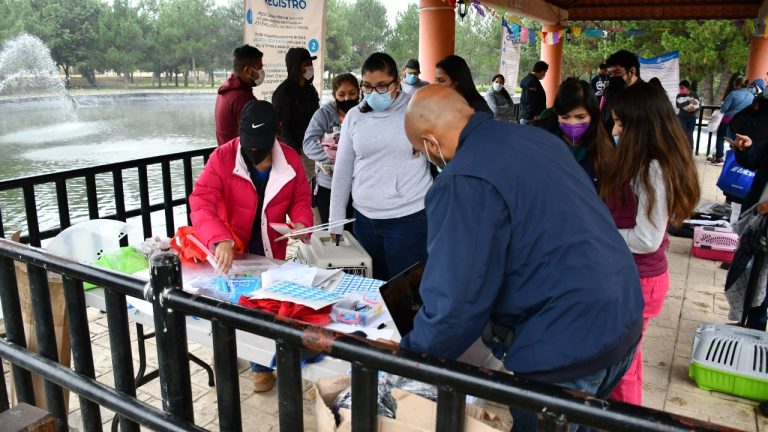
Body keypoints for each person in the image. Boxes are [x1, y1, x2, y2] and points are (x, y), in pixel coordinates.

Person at [400, 85, 642, 432]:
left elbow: (455, 303)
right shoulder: (538, 140)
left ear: (431, 144)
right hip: (620, 318)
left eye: (419, 152)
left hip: (567, 344)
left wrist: (407, 358)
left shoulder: (463, 179)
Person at [189, 100, 313, 393]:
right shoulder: (223, 157)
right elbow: (201, 200)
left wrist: (301, 223)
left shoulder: (291, 160)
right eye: (249, 144)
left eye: (262, 145)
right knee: (227, 299)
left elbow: (300, 200)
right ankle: (225, 349)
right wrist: (219, 238)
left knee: (264, 300)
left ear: (276, 134)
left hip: (270, 243)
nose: (255, 152)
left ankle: (261, 364)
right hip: (230, 242)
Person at [601, 81, 701, 405]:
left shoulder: (653, 169)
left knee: (621, 368)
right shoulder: (645, 163)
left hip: (639, 281)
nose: (615, 130)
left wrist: (598, 233)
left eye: (620, 123)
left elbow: (646, 239)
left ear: (641, 127)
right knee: (628, 360)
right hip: (634, 278)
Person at [328, 53, 432, 281]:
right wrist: (335, 224)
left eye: (382, 86)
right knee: (372, 292)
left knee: (407, 295)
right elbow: (343, 171)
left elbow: (439, 157)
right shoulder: (355, 116)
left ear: (397, 82)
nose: (374, 93)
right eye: (367, 86)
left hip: (409, 219)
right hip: (365, 220)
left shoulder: (417, 112)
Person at [303, 73, 359, 224]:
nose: (347, 98)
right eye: (342, 94)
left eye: (352, 93)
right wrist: (334, 157)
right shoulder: (323, 115)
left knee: (355, 231)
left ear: (359, 92)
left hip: (358, 184)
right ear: (334, 95)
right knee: (333, 230)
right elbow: (308, 143)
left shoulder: (365, 113)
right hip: (329, 185)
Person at [549, 79, 615, 191]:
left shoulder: (606, 145)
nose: (573, 123)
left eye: (580, 117)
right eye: (565, 117)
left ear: (592, 115)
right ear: (557, 116)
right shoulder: (543, 142)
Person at [272, 47, 320, 154]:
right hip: (295, 149)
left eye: (310, 63)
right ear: (296, 67)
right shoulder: (283, 93)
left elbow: (316, 116)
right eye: (306, 64)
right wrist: (294, 150)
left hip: (312, 145)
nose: (310, 67)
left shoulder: (310, 90)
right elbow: (283, 127)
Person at [214, 45, 263, 146]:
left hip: (226, 153)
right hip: (237, 157)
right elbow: (255, 134)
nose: (262, 72)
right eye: (259, 68)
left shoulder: (228, 89)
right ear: (247, 71)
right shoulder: (242, 97)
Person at [711, 76, 754, 165]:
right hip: (743, 123)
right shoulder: (752, 96)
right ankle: (736, 160)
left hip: (728, 120)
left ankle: (719, 158)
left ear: (737, 84)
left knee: (721, 138)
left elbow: (724, 108)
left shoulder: (733, 94)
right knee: (738, 141)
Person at [518, 60, 548, 125]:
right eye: (545, 72)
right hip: (530, 118)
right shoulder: (531, 82)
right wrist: (535, 114)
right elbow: (530, 100)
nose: (544, 75)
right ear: (542, 71)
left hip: (529, 117)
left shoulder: (532, 80)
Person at [676, 80, 701, 149]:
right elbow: (678, 105)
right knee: (683, 134)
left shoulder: (694, 94)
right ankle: (682, 150)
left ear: (688, 88)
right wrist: (688, 101)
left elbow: (700, 106)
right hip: (682, 118)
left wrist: (695, 109)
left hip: (692, 118)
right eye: (680, 88)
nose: (680, 89)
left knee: (690, 134)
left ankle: (690, 150)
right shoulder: (679, 95)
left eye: (682, 88)